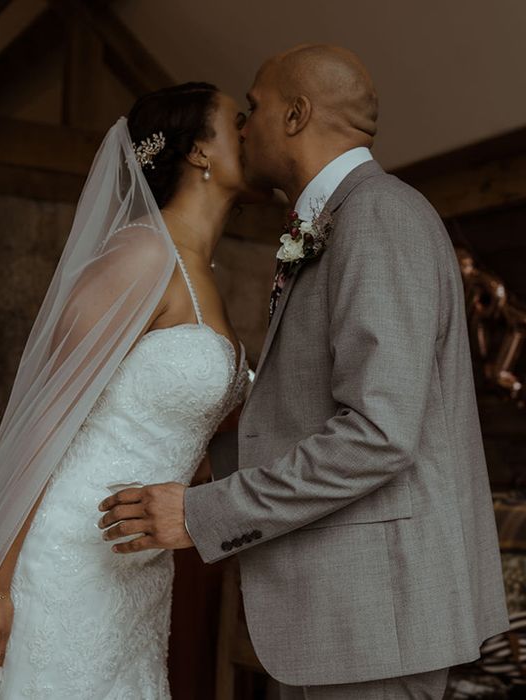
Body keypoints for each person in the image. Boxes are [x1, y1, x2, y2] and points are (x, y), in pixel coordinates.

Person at [100, 45, 510, 699]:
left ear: (295, 117)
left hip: (377, 619)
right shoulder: (343, 219)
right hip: (355, 619)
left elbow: (380, 433)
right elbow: (319, 411)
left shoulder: (376, 216)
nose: (243, 125)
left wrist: (204, 513)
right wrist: (209, 463)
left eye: (253, 108)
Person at [0, 82, 251, 698]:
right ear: (198, 152)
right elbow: (42, 424)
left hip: (137, 571)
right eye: (237, 122)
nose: (250, 132)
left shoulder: (206, 273)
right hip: (65, 557)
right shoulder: (141, 255)